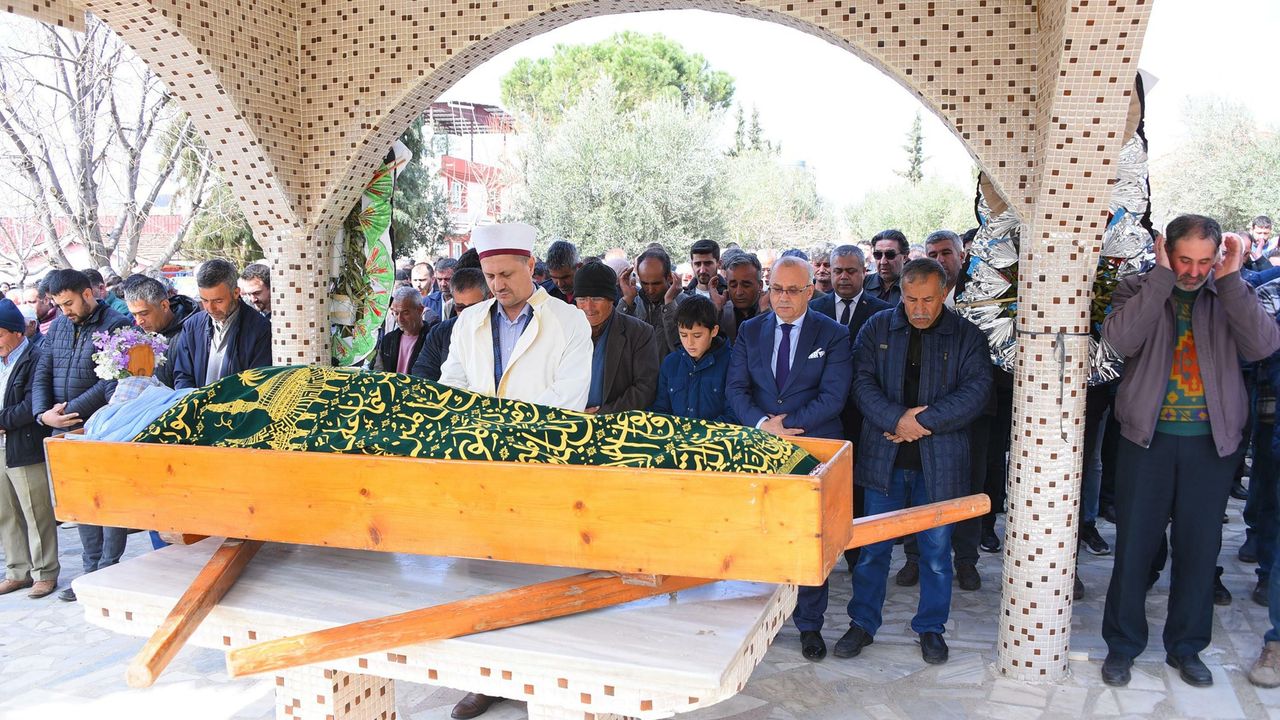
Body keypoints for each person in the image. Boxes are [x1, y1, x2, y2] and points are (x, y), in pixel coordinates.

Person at [1099, 215, 1280, 689]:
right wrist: (1161, 278)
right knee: (1134, 548)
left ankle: (1186, 648)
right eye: (1184, 259)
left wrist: (1232, 279)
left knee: (1199, 551)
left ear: (1218, 256)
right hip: (1146, 441)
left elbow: (1263, 345)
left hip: (1212, 446)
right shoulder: (1139, 287)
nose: (1194, 271)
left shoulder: (1231, 291)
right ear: (1165, 250)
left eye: (1205, 261)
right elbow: (1119, 340)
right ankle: (1122, 645)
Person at [438, 223, 593, 719]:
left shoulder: (569, 322)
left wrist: (507, 437)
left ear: (531, 266)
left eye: (506, 274)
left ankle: (544, 683)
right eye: (490, 276)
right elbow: (452, 386)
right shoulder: (469, 322)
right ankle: (483, 679)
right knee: (480, 577)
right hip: (480, 467)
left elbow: (567, 400)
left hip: (541, 467)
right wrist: (479, 436)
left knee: (539, 578)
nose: (498, 284)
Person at [841, 258, 991, 666]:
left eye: (928, 299)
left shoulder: (966, 336)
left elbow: (976, 392)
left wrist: (920, 422)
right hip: (883, 459)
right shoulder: (877, 328)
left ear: (944, 293)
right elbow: (861, 382)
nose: (919, 309)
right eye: (911, 300)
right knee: (873, 550)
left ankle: (931, 628)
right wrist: (896, 420)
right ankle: (862, 623)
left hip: (940, 463)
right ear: (901, 295)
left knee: (937, 555)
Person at [726, 256, 852, 661]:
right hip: (762, 448)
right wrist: (764, 425)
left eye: (793, 290)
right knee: (763, 535)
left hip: (813, 448)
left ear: (810, 291)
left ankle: (809, 625)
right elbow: (736, 389)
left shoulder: (833, 334)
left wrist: (786, 425)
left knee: (810, 538)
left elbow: (833, 396)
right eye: (777, 288)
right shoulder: (750, 330)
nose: (783, 297)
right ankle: (760, 620)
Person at [32, 269, 132, 603]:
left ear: (87, 294)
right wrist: (42, 414)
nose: (65, 311)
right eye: (59, 305)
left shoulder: (117, 325)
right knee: (80, 503)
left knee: (107, 503)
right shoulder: (60, 325)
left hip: (99, 427)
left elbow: (111, 383)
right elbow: (42, 369)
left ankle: (109, 572)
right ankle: (90, 573)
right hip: (61, 430)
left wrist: (68, 412)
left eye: (69, 303)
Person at [0, 299, 56, 599]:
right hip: (2, 446)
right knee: (5, 512)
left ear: (17, 332)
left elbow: (32, 405)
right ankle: (17, 571)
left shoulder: (36, 357)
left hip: (24, 443)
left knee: (36, 512)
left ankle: (45, 573)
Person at [171, 259, 273, 390]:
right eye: (205, 300)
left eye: (218, 301)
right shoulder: (192, 326)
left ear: (236, 293)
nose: (210, 308)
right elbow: (183, 376)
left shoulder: (260, 329)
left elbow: (257, 383)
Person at [573, 261, 659, 413]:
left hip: (616, 423)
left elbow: (645, 387)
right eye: (582, 299)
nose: (589, 307)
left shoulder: (640, 333)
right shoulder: (564, 332)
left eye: (597, 299)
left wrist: (601, 414)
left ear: (611, 298)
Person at [650, 295, 735, 423]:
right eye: (683, 335)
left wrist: (699, 431)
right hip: (676, 434)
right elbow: (660, 409)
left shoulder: (731, 363)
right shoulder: (670, 363)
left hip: (715, 435)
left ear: (714, 331)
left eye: (697, 335)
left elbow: (734, 413)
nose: (689, 343)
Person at [411, 268, 489, 381]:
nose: (466, 314)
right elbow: (423, 372)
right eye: (460, 307)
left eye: (473, 307)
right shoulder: (440, 332)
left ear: (489, 298)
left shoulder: (500, 329)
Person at [122, 275, 197, 388]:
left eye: (144, 313)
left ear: (164, 305)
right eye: (134, 315)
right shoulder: (135, 336)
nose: (139, 321)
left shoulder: (191, 333)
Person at [618, 248, 681, 358]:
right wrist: (627, 299)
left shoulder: (684, 303)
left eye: (656, 284)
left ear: (669, 277)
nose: (650, 290)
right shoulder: (633, 301)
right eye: (645, 283)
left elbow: (679, 347)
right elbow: (615, 337)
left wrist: (669, 305)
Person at [370, 287, 427, 374]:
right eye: (396, 313)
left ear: (420, 310)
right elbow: (378, 371)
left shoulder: (432, 339)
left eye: (405, 313)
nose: (400, 319)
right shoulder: (388, 339)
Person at [865, 230, 908, 305]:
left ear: (905, 257)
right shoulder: (862, 284)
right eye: (878, 255)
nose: (883, 262)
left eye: (890, 255)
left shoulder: (915, 287)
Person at [924, 230, 966, 306]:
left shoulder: (977, 293)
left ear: (961, 257)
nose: (939, 260)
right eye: (933, 255)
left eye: (946, 253)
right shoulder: (920, 294)